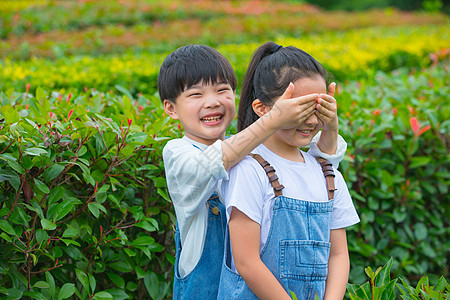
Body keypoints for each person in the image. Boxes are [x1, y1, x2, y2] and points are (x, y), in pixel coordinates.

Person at [157, 44, 347, 299]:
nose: (212, 102)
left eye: (222, 90)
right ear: (171, 108)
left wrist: (328, 124)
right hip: (204, 290)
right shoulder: (179, 152)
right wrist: (274, 119)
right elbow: (212, 163)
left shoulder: (249, 150)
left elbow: (320, 165)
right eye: (196, 95)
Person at [217, 42, 360, 300]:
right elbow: (246, 262)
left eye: (318, 107)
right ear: (263, 109)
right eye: (300, 108)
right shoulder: (250, 169)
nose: (312, 120)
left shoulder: (328, 175)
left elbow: (338, 255)